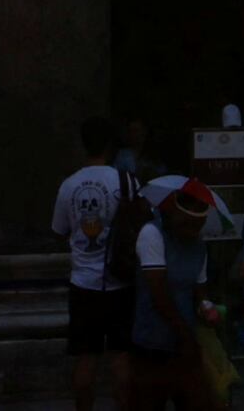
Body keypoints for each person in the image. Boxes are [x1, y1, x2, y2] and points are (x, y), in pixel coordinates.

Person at [65, 118, 139, 411]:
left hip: (84, 283)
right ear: (110, 146)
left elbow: (59, 229)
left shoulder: (69, 186)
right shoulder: (126, 182)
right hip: (120, 281)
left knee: (86, 358)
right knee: (121, 358)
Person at [133, 178, 223, 411]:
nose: (192, 231)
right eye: (188, 224)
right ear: (173, 214)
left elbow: (199, 287)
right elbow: (158, 292)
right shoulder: (152, 234)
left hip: (185, 343)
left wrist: (206, 307)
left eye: (198, 226)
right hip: (153, 342)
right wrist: (185, 336)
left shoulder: (199, 245)